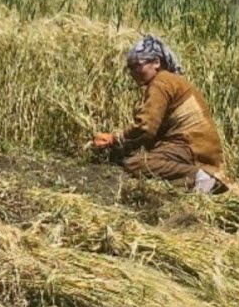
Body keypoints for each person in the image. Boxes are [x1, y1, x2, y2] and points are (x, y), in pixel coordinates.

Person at [92, 35, 227, 194]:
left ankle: (200, 177)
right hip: (197, 145)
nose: (133, 72)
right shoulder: (171, 81)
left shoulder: (161, 83)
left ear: (156, 62)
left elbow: (146, 128)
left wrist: (115, 139)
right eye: (130, 67)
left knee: (136, 164)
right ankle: (198, 180)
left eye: (137, 65)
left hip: (191, 145)